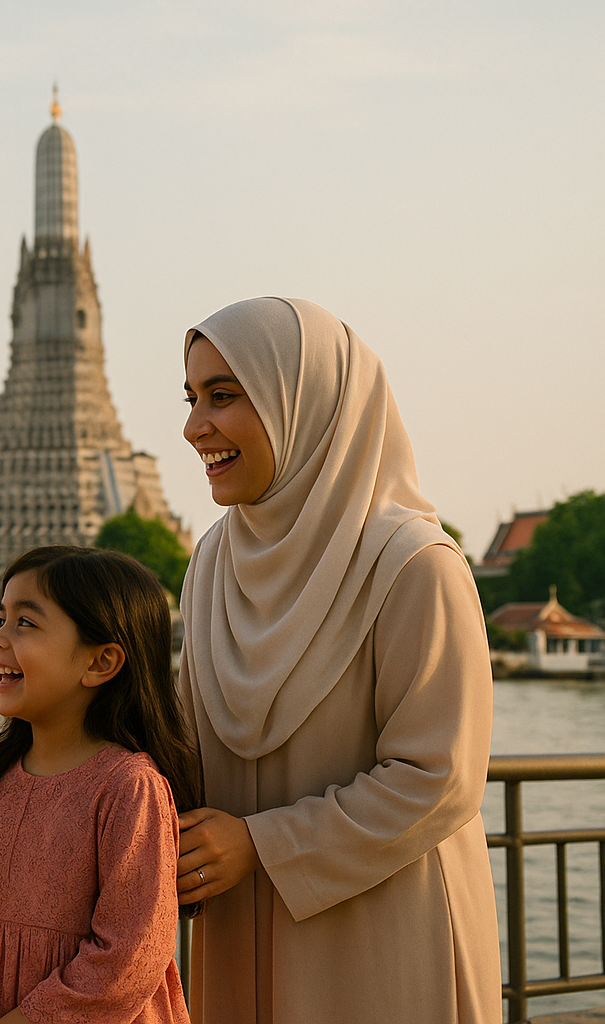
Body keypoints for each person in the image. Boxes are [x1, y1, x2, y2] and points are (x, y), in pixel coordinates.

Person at [175, 296, 502, 1023]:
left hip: (382, 930)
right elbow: (185, 745)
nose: (195, 426)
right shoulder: (211, 566)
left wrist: (261, 844)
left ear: (305, 404)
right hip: (237, 917)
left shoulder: (413, 564)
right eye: (192, 398)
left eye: (224, 396)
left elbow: (440, 778)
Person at [0, 546, 199, 1024]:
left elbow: (131, 952)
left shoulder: (129, 788)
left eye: (25, 623)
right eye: (1, 619)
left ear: (100, 662)